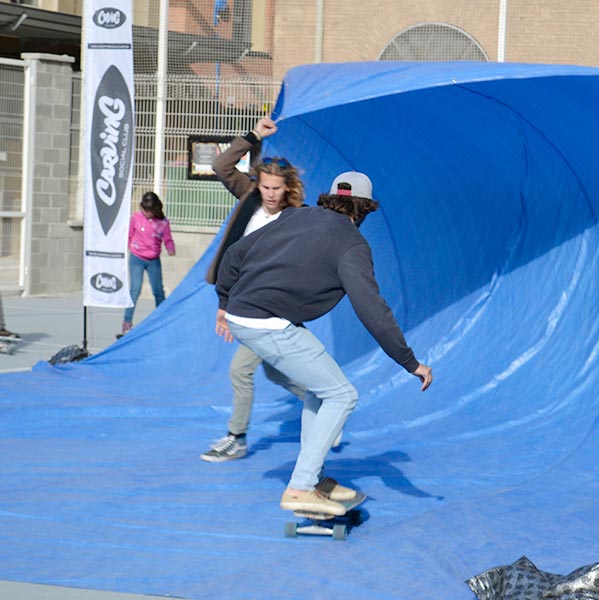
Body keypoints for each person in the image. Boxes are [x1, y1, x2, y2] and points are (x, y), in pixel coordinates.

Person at [214, 171, 433, 516]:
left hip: (250, 315)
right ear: (363, 210)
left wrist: (224, 301)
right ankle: (300, 487)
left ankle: (311, 478)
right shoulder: (351, 244)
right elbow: (372, 309)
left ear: (331, 198)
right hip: (267, 323)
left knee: (321, 388)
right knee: (342, 395)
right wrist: (409, 362)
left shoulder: (295, 215)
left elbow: (235, 252)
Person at [201, 116, 319, 463]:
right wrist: (253, 136)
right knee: (273, 369)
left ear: (288, 189)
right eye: (265, 187)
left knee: (240, 369)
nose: (269, 194)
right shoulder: (248, 197)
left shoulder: (295, 218)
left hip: (271, 306)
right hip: (243, 299)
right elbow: (221, 165)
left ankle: (236, 438)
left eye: (276, 189)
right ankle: (325, 399)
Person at [122, 192, 176, 335]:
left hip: (153, 260)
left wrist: (170, 248)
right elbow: (129, 234)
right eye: (144, 210)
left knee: (158, 291)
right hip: (137, 257)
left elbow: (168, 238)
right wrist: (124, 249)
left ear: (156, 209)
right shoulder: (136, 218)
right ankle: (127, 322)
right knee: (135, 289)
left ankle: (162, 319)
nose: (146, 213)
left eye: (150, 211)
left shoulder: (162, 222)